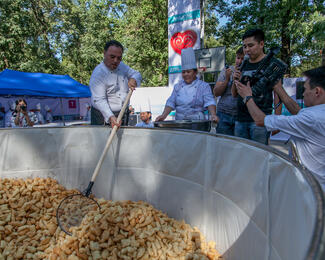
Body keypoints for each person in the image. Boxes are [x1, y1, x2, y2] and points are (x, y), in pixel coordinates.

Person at [235, 66, 325, 190]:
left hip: (310, 188)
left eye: (304, 89)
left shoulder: (312, 118)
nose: (303, 94)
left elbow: (260, 120)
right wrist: (278, 87)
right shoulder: (316, 114)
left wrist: (247, 96)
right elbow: (298, 112)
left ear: (317, 92)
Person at [231, 28, 282, 144]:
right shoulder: (243, 64)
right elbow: (234, 94)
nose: (247, 50)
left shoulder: (272, 63)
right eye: (244, 46)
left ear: (261, 44)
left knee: (259, 156)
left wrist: (277, 121)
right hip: (240, 119)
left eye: (250, 45)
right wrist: (235, 80)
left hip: (260, 120)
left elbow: (278, 93)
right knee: (241, 155)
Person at [156, 47, 218, 122]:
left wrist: (213, 115)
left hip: (197, 122)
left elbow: (209, 102)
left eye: (188, 72)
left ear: (195, 72)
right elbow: (171, 102)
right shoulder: (177, 86)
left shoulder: (203, 86)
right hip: (180, 122)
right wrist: (163, 115)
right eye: (183, 72)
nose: (185, 74)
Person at [89, 40, 142, 128]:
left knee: (122, 141)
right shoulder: (98, 74)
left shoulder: (122, 66)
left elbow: (137, 74)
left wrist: (134, 79)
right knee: (102, 141)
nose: (116, 61)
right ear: (104, 53)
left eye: (119, 58)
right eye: (112, 57)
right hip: (102, 115)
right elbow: (99, 100)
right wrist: (110, 116)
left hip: (123, 112)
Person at [213, 47, 244, 135]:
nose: (240, 61)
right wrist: (226, 79)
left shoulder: (248, 72)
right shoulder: (226, 71)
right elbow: (216, 92)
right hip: (223, 114)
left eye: (243, 59)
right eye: (238, 58)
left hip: (241, 116)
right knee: (223, 145)